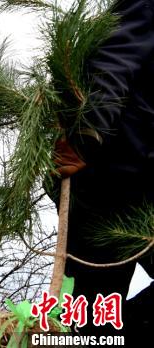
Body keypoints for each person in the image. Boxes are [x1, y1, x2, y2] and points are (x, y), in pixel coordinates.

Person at [53, 0, 154, 342]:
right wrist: (86, 138)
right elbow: (113, 62)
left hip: (141, 196)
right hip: (110, 184)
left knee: (99, 322)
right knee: (93, 313)